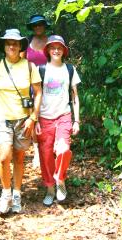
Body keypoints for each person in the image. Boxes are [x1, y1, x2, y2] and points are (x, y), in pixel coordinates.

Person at [0, 28, 42, 214]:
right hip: (2, 117)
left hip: (24, 119)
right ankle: (5, 194)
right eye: (8, 43)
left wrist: (33, 117)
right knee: (4, 157)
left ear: (20, 45)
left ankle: (17, 194)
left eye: (15, 43)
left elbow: (38, 93)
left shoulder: (30, 67)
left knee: (19, 158)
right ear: (4, 46)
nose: (12, 46)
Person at [35, 35, 81, 206]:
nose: (56, 50)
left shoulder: (69, 69)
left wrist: (77, 121)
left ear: (64, 51)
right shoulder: (40, 69)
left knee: (63, 150)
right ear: (47, 50)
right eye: (52, 47)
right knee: (46, 155)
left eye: (59, 48)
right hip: (44, 118)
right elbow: (36, 96)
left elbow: (75, 97)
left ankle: (60, 180)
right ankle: (49, 189)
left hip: (64, 116)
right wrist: (35, 119)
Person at [23, 14, 51, 168]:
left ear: (44, 26)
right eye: (35, 25)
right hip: (31, 86)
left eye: (40, 24)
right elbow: (21, 63)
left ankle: (48, 147)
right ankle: (37, 152)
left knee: (49, 115)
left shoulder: (51, 42)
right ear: (32, 27)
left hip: (50, 85)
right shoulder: (27, 42)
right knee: (34, 116)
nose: (38, 27)